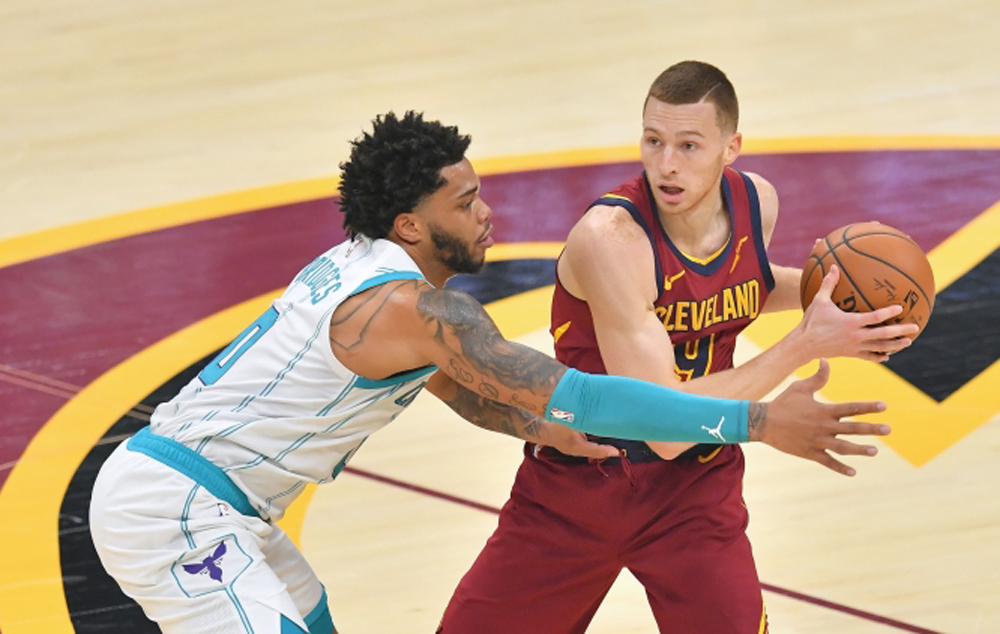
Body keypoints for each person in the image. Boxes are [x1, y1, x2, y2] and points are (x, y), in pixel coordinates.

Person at [89, 110, 890, 634]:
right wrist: (757, 417)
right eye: (465, 202)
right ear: (412, 223)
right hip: (178, 509)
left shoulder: (372, 276)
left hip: (221, 504)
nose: (486, 212)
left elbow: (466, 392)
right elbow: (582, 393)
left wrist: (538, 428)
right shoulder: (419, 310)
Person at [438, 62, 918, 634]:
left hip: (696, 490)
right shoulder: (609, 242)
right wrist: (803, 344)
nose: (667, 164)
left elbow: (742, 288)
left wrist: (840, 306)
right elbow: (661, 427)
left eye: (689, 145)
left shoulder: (755, 203)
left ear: (730, 147)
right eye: (653, 140)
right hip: (581, 484)